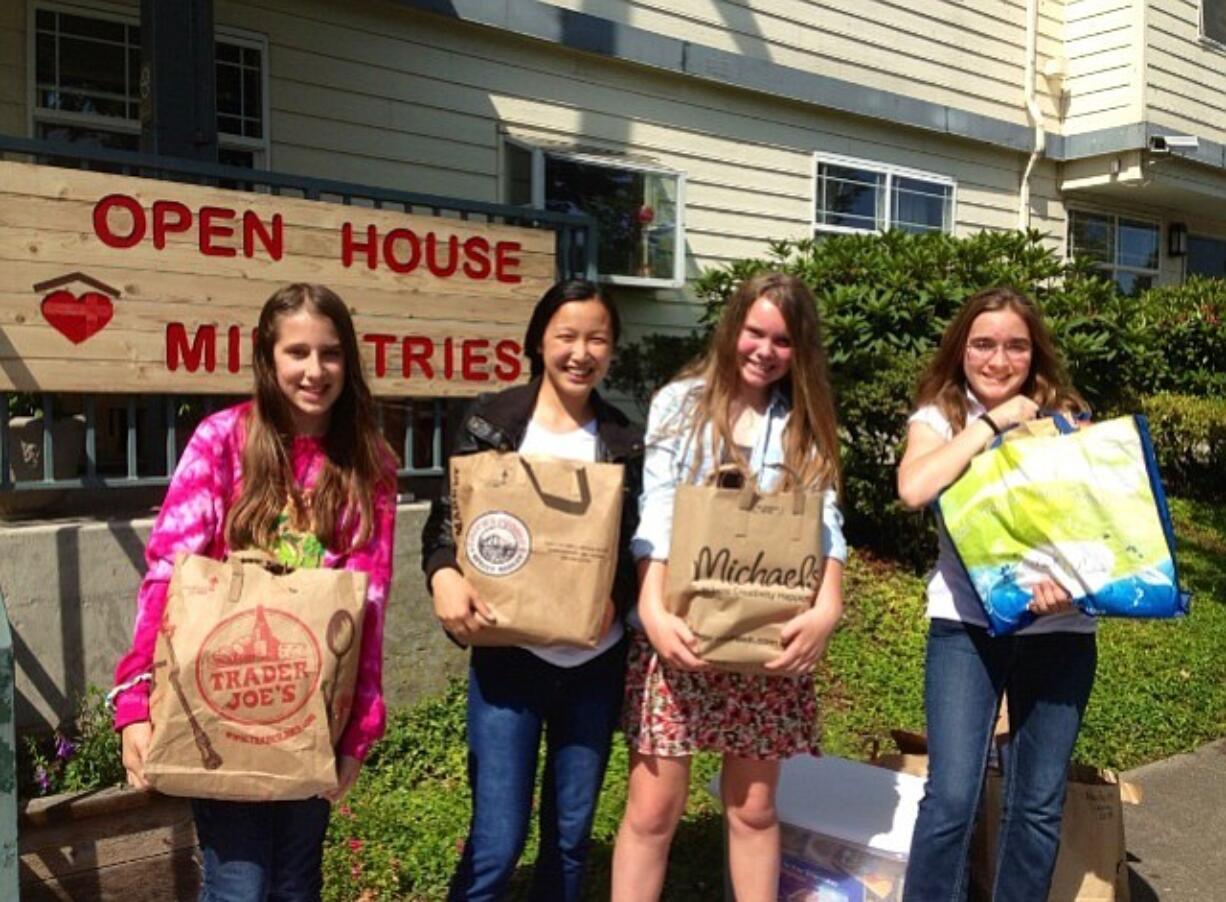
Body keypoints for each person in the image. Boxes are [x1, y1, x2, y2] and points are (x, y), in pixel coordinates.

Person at [111, 283, 398, 900]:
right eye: (297, 352)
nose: (314, 370)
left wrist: (361, 728)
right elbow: (167, 574)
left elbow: (370, 602)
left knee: (296, 886)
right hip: (222, 710)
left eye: (330, 353)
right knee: (240, 886)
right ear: (268, 359)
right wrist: (135, 699)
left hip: (315, 717)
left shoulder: (368, 463)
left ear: (348, 360)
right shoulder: (222, 440)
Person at [611, 271, 847, 902]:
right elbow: (657, 512)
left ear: (801, 350)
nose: (765, 351)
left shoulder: (805, 419)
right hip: (678, 633)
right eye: (755, 332)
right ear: (732, 327)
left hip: (765, 643)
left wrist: (828, 604)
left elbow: (825, 523)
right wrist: (652, 610)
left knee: (753, 812)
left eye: (784, 340)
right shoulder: (680, 404)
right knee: (652, 812)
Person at [420, 279, 643, 902]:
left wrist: (617, 599)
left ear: (613, 350)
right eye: (567, 336)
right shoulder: (492, 422)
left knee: (570, 840)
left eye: (597, 338)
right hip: (508, 661)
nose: (581, 352)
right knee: (496, 841)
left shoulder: (625, 440)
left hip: (594, 665)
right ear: (539, 341)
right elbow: (446, 526)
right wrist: (444, 576)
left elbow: (640, 546)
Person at [897, 286, 1095, 901]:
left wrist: (1073, 584)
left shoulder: (1069, 417)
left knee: (1035, 804)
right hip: (966, 628)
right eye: (983, 344)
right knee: (953, 796)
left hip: (1059, 633)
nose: (998, 360)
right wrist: (990, 423)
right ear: (962, 349)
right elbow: (915, 488)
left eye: (1015, 346)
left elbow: (1097, 520)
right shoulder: (939, 417)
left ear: (1033, 353)